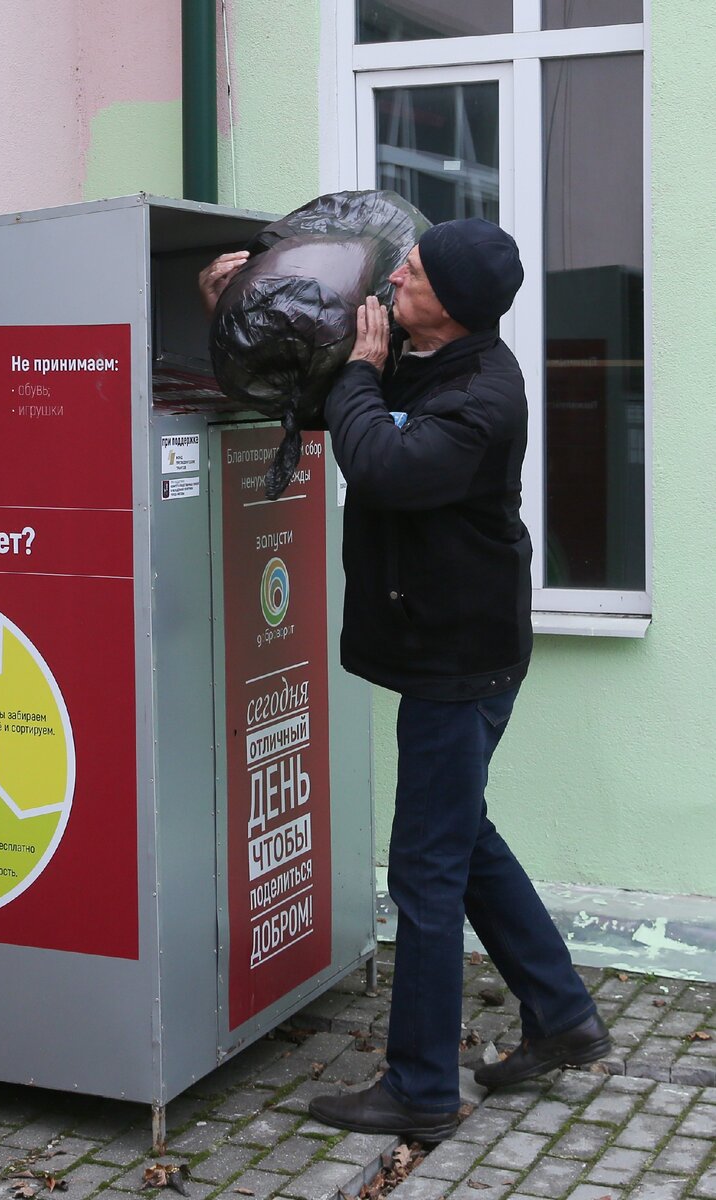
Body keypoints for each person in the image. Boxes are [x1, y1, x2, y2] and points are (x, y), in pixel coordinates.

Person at [199, 218, 611, 1143]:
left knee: (427, 868)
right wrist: (233, 300)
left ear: (452, 309)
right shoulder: (417, 352)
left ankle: (421, 1089)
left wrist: (355, 375)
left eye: (414, 273)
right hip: (449, 642)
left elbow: (381, 462)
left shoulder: (483, 395)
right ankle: (561, 1014)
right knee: (461, 835)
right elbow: (307, 399)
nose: (395, 275)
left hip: (459, 659)